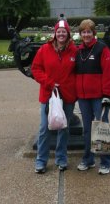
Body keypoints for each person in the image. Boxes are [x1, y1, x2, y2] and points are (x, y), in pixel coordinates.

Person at [31, 19, 77, 174]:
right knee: (45, 128)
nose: (61, 34)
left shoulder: (74, 51)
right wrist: (49, 83)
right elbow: (36, 69)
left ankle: (61, 158)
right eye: (59, 31)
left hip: (67, 96)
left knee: (64, 128)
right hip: (48, 94)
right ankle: (41, 161)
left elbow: (78, 72)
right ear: (55, 33)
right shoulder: (45, 49)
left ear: (68, 34)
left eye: (64, 32)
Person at [75, 19, 110, 175]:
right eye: (83, 32)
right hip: (83, 97)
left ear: (93, 33)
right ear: (80, 34)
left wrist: (107, 95)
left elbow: (108, 74)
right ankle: (88, 159)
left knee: (102, 128)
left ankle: (106, 161)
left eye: (89, 32)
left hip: (99, 97)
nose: (86, 35)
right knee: (87, 130)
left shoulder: (102, 49)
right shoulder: (78, 51)